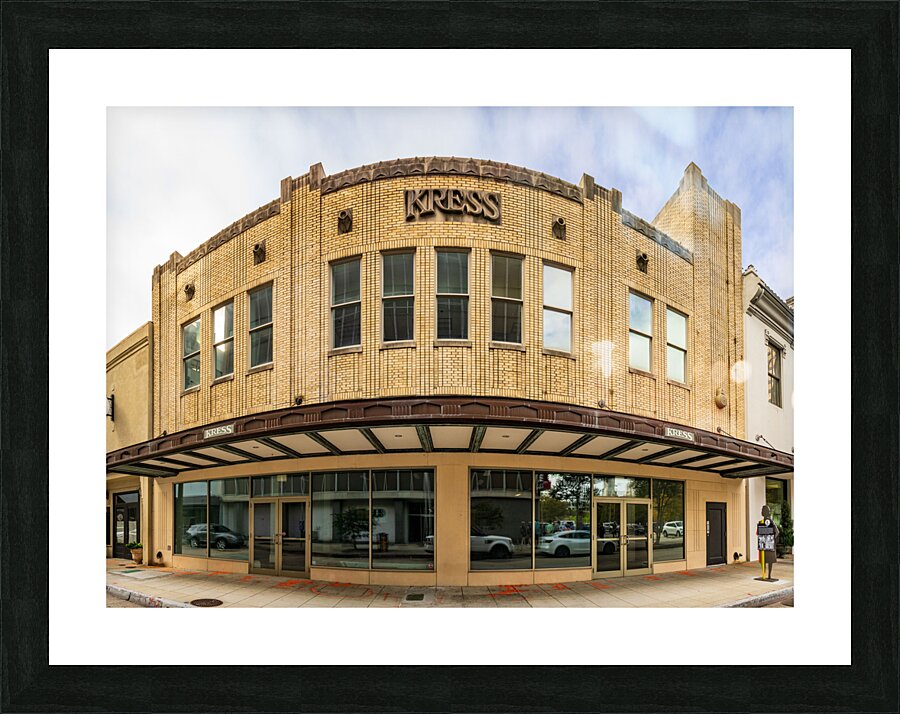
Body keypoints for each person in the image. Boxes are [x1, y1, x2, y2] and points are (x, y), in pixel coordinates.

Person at [757, 505, 779, 580]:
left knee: (769, 561)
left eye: (764, 511)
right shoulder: (760, 523)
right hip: (764, 545)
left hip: (769, 545)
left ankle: (768, 575)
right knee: (764, 560)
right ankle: (764, 574)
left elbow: (777, 532)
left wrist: (772, 540)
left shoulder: (771, 522)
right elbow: (758, 533)